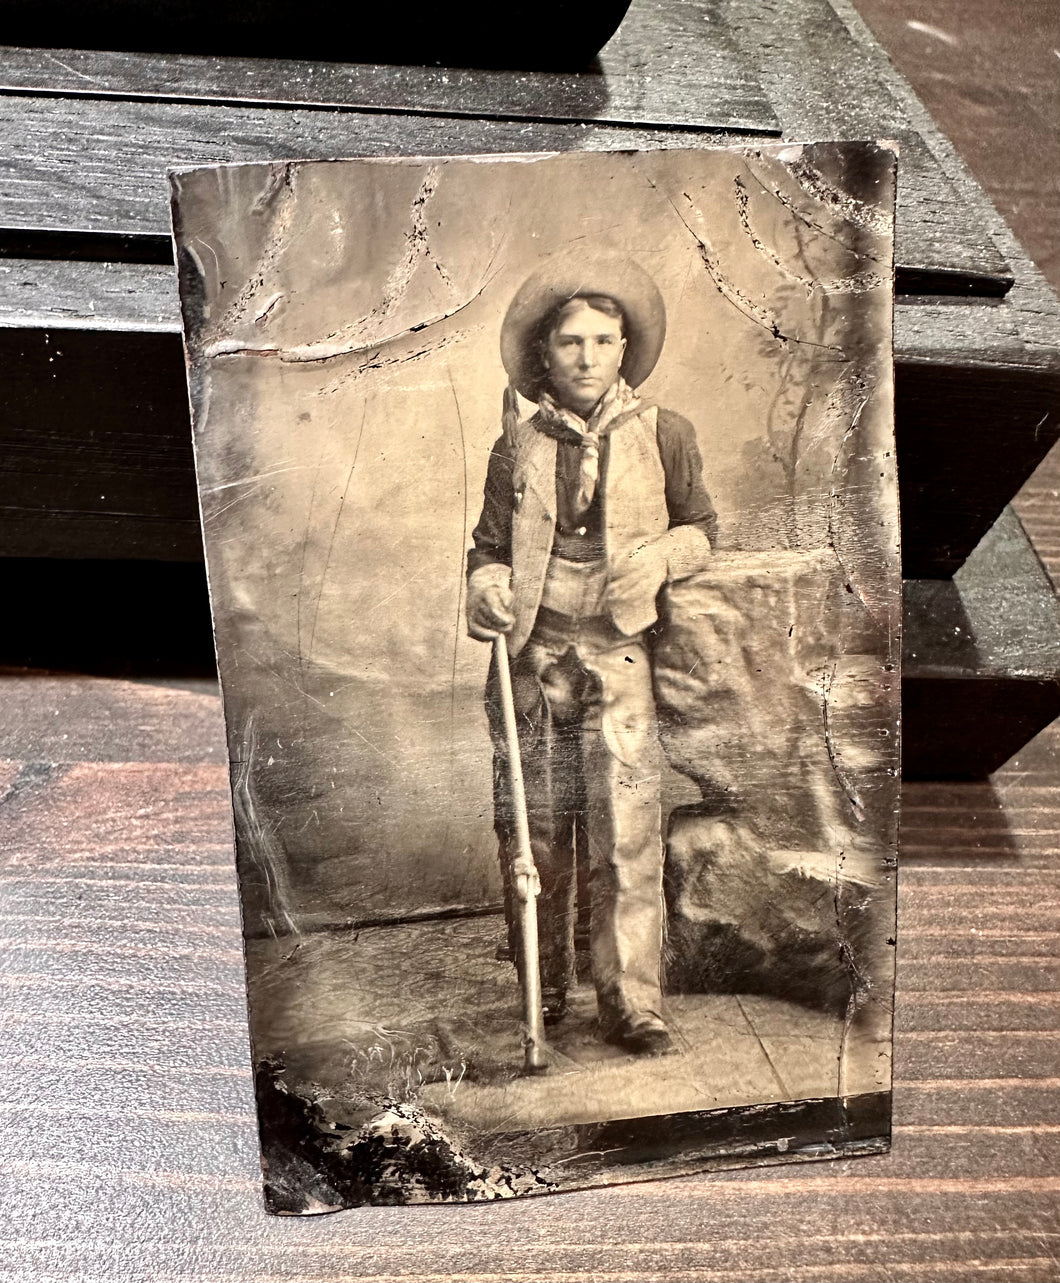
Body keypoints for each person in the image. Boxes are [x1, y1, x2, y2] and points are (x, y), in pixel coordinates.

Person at [466, 253, 717, 1056]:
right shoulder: (518, 443)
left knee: (625, 831)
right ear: (545, 353)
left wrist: (664, 557)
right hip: (534, 659)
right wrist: (488, 587)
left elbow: (704, 529)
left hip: (619, 657)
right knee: (534, 833)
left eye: (602, 341)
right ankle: (542, 990)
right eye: (569, 342)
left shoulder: (664, 432)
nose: (585, 357)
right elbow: (488, 548)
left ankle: (631, 1000)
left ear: (624, 348)